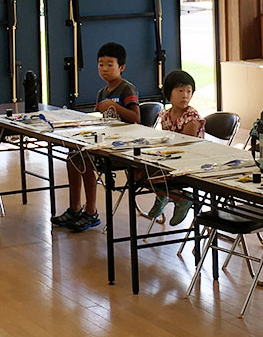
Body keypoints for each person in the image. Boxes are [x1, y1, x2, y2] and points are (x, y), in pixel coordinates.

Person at [50, 42, 140, 232]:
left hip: (122, 146)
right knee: (73, 157)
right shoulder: (102, 92)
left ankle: (91, 211)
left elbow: (135, 118)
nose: (104, 69)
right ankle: (75, 208)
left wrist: (115, 107)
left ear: (121, 67)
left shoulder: (126, 89)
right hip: (105, 140)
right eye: (101, 64)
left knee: (84, 160)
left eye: (110, 64)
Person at [142, 69, 205, 226]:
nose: (185, 95)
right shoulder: (166, 115)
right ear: (169, 93)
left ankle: (179, 198)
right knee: (138, 171)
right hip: (171, 157)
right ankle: (165, 194)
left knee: (149, 173)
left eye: (189, 91)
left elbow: (185, 145)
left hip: (189, 160)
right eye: (180, 91)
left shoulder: (192, 118)